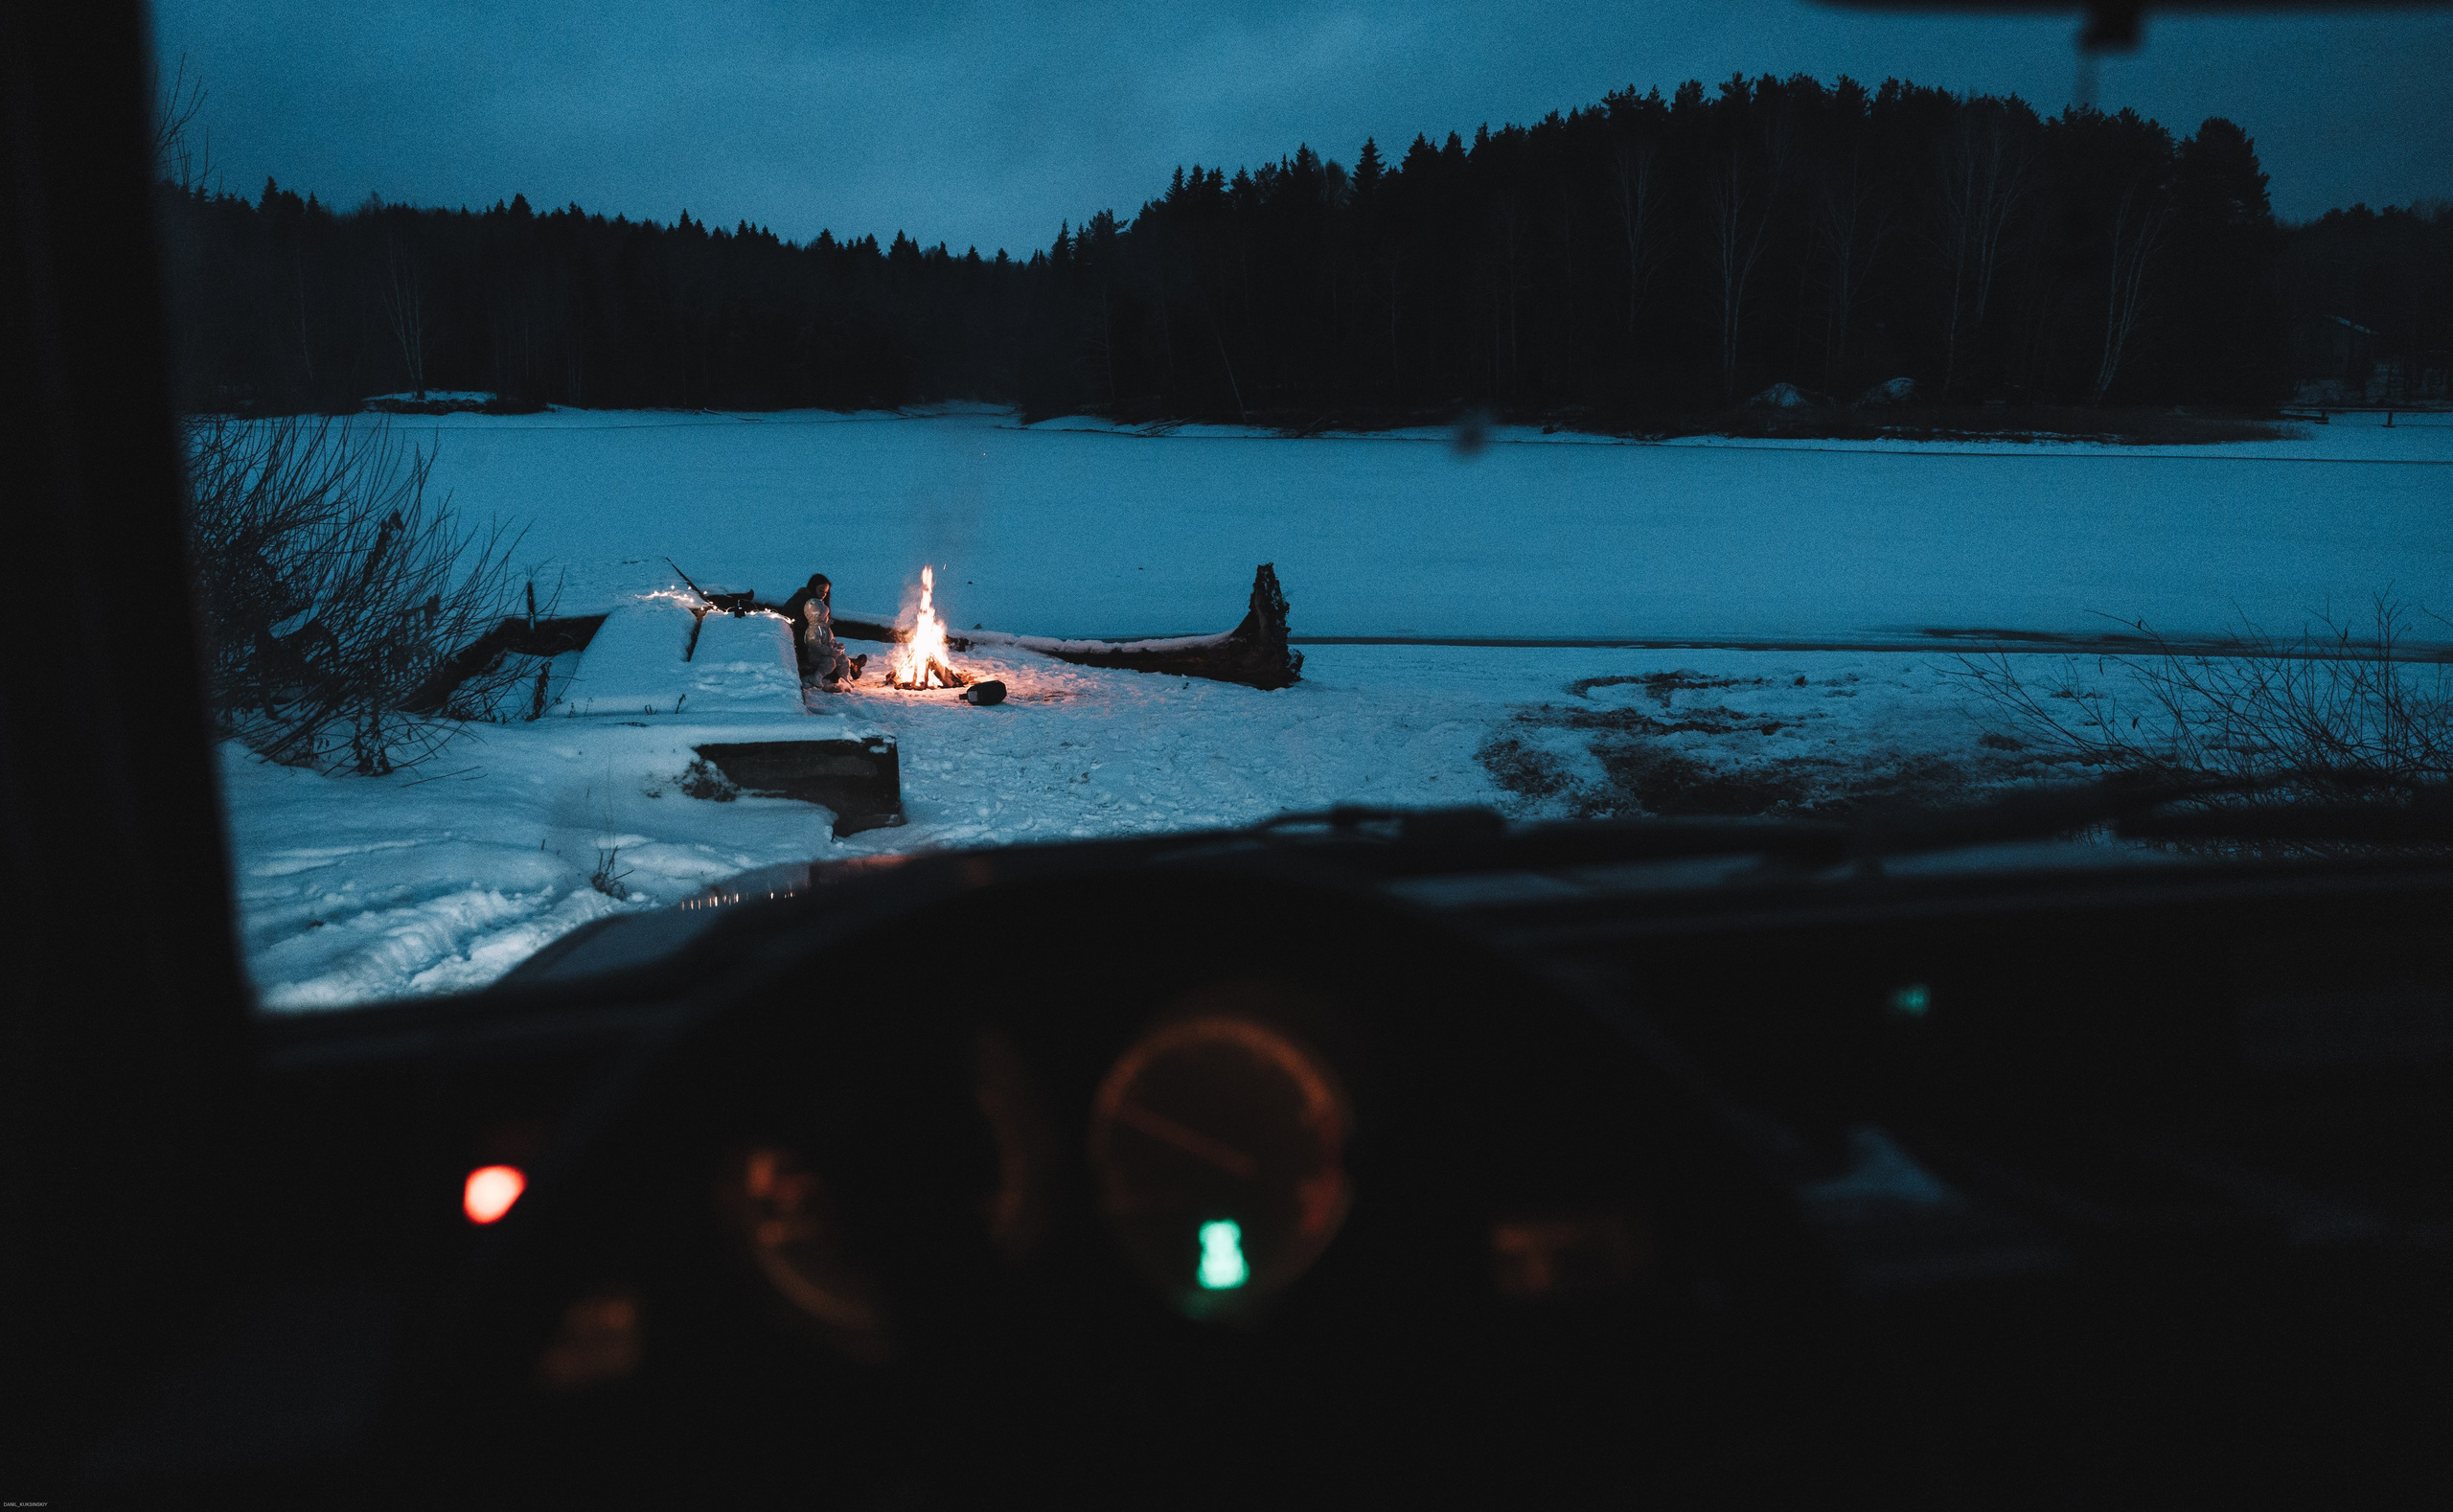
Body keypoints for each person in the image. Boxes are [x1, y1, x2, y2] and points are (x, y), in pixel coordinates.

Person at [784, 573, 864, 688]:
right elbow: (813, 639)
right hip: (803, 649)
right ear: (813, 587)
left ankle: (851, 663)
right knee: (832, 661)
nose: (823, 594)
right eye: (821, 590)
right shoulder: (810, 605)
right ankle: (852, 666)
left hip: (799, 644)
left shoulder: (804, 599)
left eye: (825, 592)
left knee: (835, 654)